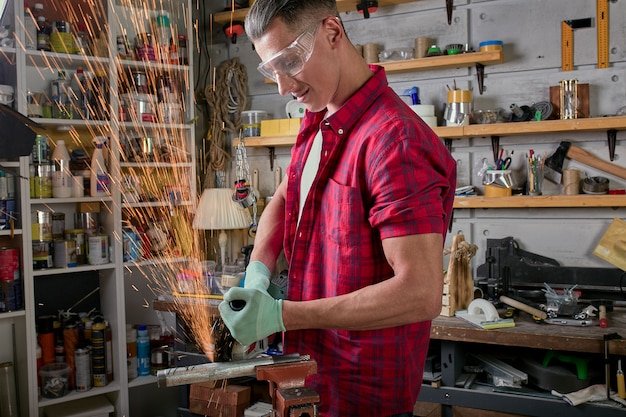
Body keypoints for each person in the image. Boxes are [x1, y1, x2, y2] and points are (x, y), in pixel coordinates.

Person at [218, 0, 457, 415]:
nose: (282, 85)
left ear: (332, 32)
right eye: (271, 70)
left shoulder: (393, 140)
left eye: (289, 61)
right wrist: (258, 273)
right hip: (311, 380)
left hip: (362, 396)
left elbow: (419, 293)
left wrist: (282, 315)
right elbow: (285, 196)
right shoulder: (318, 118)